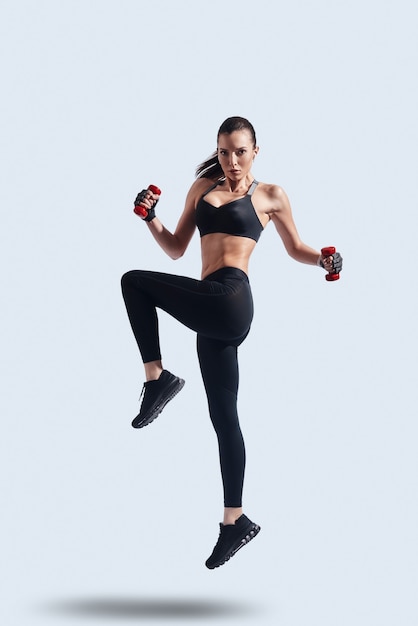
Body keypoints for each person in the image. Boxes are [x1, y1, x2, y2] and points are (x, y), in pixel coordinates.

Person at [121, 116, 342, 570]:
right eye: (224, 151)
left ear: (255, 151)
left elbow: (296, 247)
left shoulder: (270, 195)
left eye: (240, 151)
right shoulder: (202, 187)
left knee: (133, 282)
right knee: (224, 418)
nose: (232, 160)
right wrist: (150, 218)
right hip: (209, 309)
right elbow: (176, 248)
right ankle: (234, 521)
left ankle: (157, 378)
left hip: (232, 298)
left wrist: (323, 258)